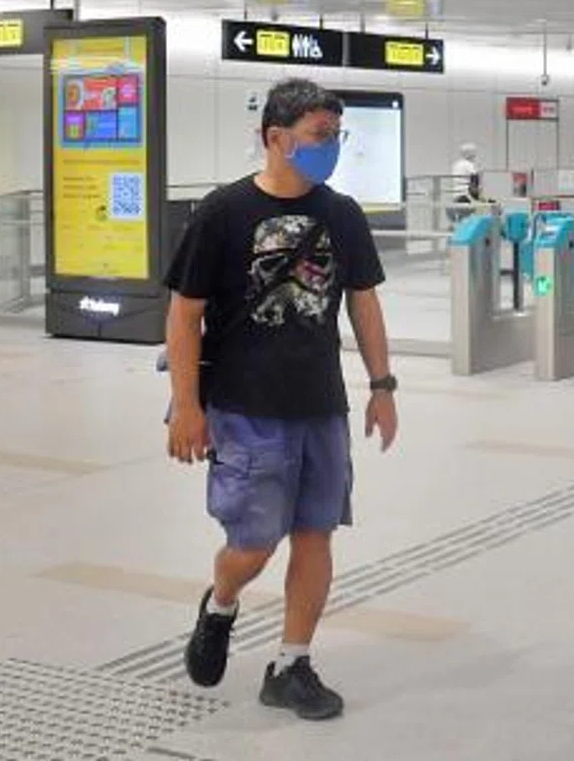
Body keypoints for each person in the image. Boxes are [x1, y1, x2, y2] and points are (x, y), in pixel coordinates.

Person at [163, 79, 400, 721]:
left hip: (320, 404)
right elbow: (184, 315)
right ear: (276, 138)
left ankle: (292, 663)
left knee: (316, 533)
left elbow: (363, 301)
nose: (331, 148)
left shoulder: (343, 214)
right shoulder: (223, 213)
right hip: (244, 405)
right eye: (320, 136)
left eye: (335, 136)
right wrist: (186, 405)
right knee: (255, 543)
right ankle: (220, 603)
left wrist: (382, 387)